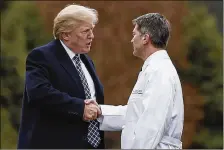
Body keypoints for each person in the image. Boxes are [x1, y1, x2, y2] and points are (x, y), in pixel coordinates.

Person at [86, 13, 184, 149]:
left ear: (145, 38)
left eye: (134, 34)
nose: (132, 40)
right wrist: (100, 111)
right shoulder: (153, 69)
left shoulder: (160, 71)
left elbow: (152, 124)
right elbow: (135, 114)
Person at [17, 4, 104, 149]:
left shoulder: (86, 60)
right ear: (66, 35)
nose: (92, 36)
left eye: (92, 30)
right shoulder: (41, 56)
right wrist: (79, 107)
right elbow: (39, 93)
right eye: (85, 31)